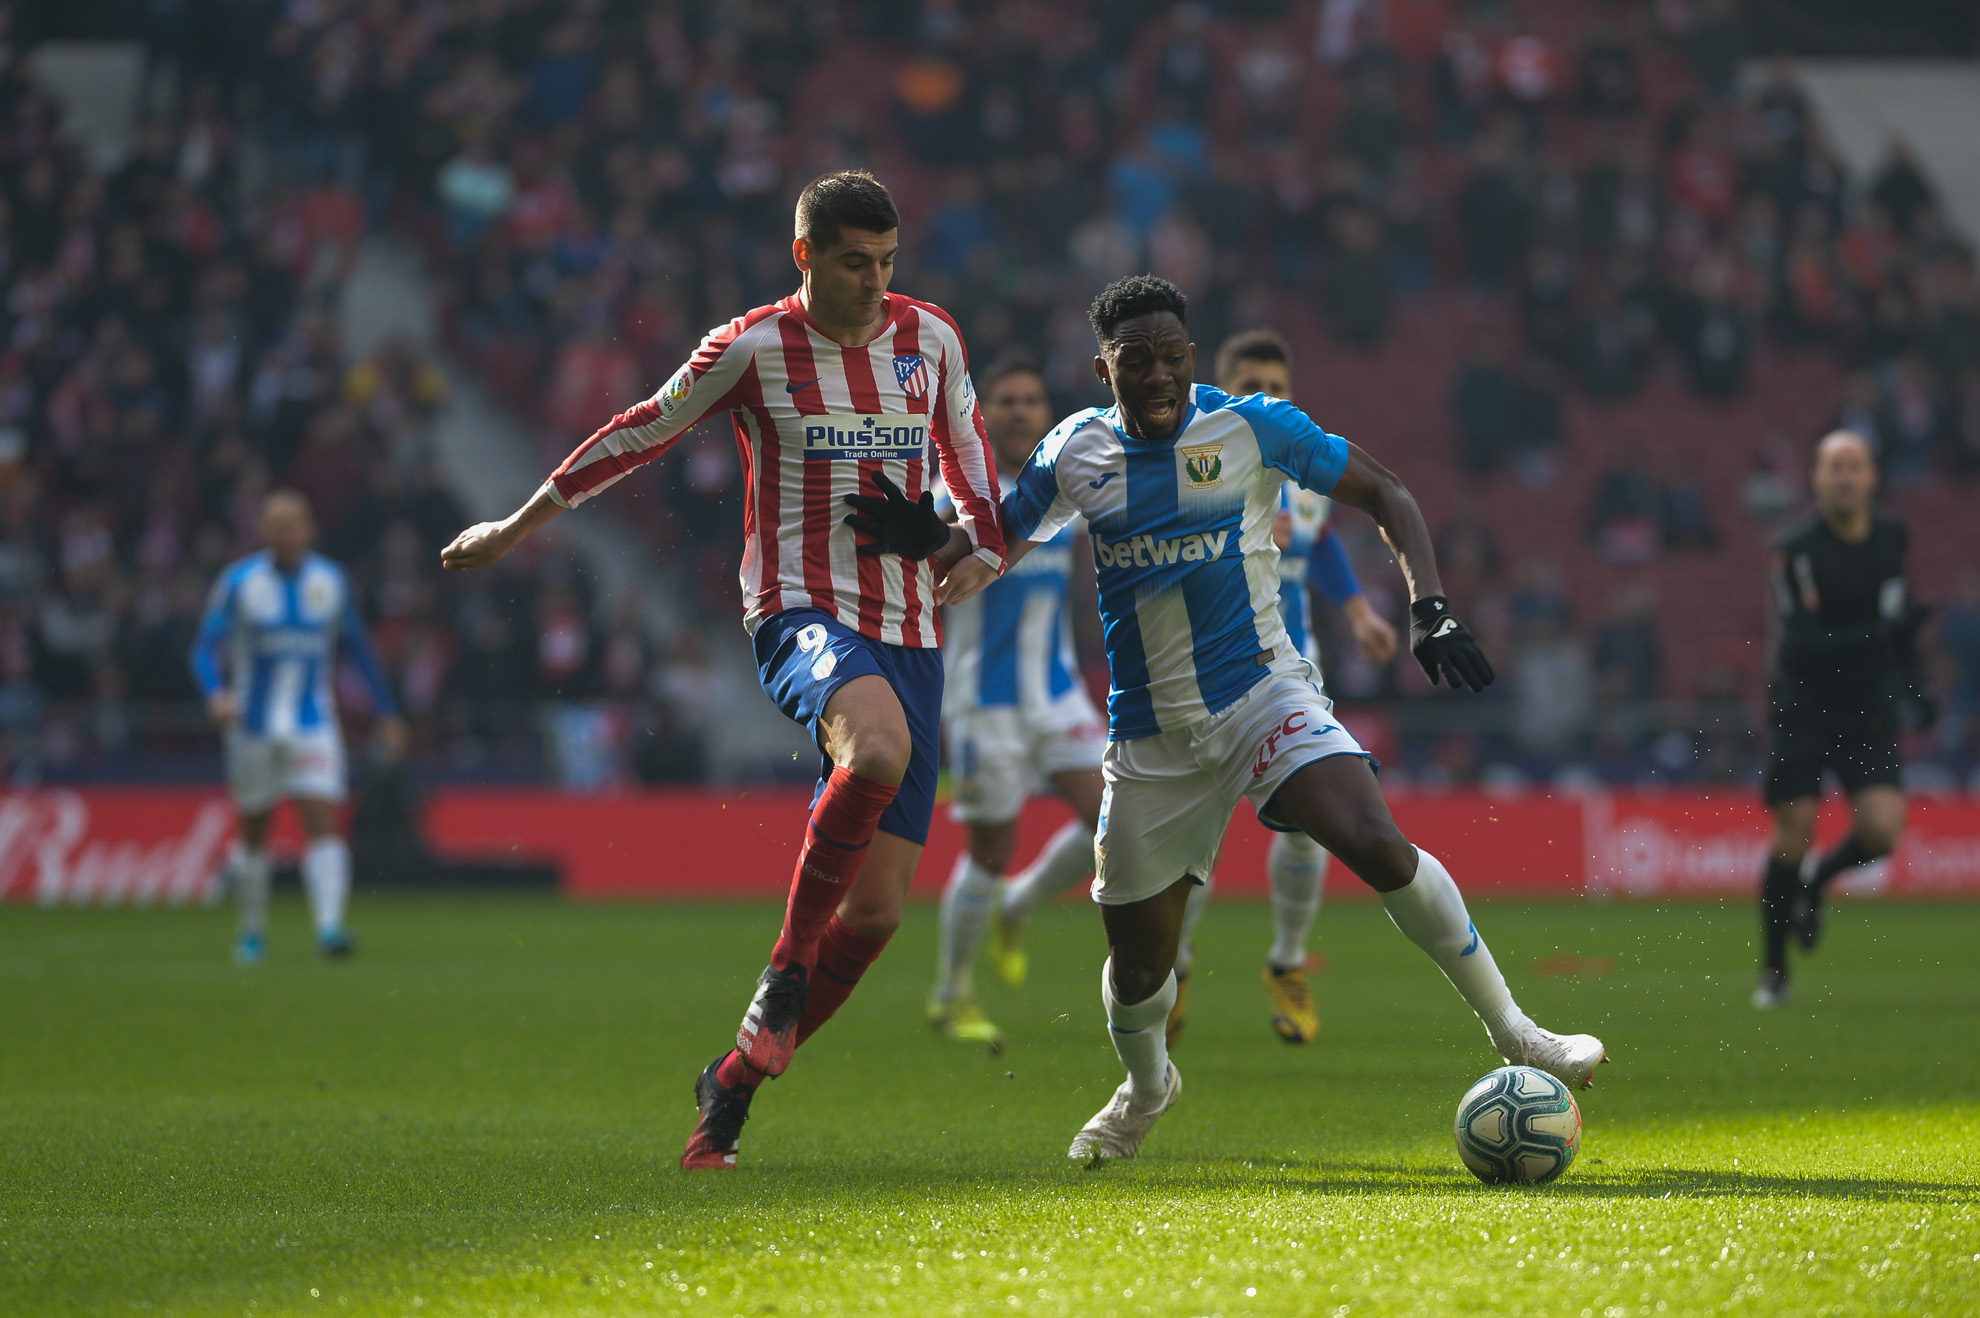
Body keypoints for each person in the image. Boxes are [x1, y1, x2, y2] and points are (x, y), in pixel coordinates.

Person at [439, 171, 1005, 1170]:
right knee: (875, 750)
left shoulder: (934, 341)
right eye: (851, 263)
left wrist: (953, 538)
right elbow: (638, 430)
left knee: (874, 914)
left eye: (886, 262)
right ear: (805, 257)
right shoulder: (753, 349)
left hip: (914, 635)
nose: (874, 282)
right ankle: (783, 973)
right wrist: (516, 525)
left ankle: (733, 1080)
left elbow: (982, 497)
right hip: (801, 612)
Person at [994, 275, 1604, 1161]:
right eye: (1138, 362)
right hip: (1153, 740)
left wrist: (1429, 606)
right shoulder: (1073, 453)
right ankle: (1149, 1084)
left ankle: (1519, 1032)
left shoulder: (1250, 426)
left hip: (1263, 695)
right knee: (1138, 972)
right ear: (1103, 369)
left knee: (1374, 841)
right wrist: (921, 546)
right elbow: (990, 546)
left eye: (1173, 356)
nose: (1159, 375)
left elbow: (1388, 491)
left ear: (1192, 359)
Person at [1164, 328, 1401, 1048]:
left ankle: (1288, 964)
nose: (1270, 399)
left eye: (1280, 387)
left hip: (1292, 678)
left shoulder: (1304, 467)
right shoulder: (1194, 466)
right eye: (1254, 387)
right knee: (1190, 839)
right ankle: (1172, 967)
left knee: (1310, 831)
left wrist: (1357, 608)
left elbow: (1320, 535)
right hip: (1201, 679)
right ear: (1225, 393)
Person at [926, 354, 1107, 1047]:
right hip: (984, 703)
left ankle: (1022, 903)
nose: (1021, 411)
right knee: (990, 849)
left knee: (1114, 823)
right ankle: (950, 995)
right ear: (983, 414)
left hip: (1058, 694)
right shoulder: (958, 497)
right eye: (1005, 400)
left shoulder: (1062, 489)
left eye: (1032, 399)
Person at [1754, 429, 1932, 1009]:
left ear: (1873, 477)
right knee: (1793, 832)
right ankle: (1774, 972)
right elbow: (1804, 645)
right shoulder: (1797, 547)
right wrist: (1885, 635)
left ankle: (1816, 882)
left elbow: (1897, 616)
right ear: (1817, 479)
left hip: (1867, 704)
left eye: (1855, 466)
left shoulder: (1892, 537)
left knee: (1882, 830)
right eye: (1835, 467)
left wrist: (1917, 686)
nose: (1846, 477)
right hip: (1804, 702)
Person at [190, 489, 406, 965]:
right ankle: (251, 930)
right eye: (278, 523)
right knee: (255, 830)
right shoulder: (240, 582)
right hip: (252, 726)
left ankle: (330, 928)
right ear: (263, 531)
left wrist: (387, 711)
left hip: (314, 723)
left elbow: (361, 651)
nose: (288, 531)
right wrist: (216, 694)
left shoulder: (331, 581)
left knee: (323, 819)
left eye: (296, 522)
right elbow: (203, 649)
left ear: (309, 528)